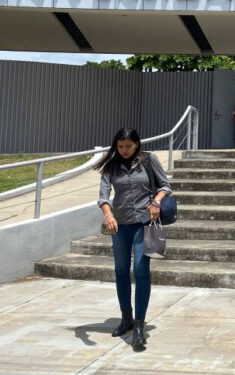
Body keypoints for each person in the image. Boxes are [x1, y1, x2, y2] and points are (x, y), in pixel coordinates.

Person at [94, 128, 171, 351]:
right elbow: (103, 195)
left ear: (137, 144)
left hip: (144, 223)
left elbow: (166, 185)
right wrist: (108, 214)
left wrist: (156, 201)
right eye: (120, 147)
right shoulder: (111, 166)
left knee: (140, 269)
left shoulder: (149, 161)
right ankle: (125, 317)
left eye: (128, 146)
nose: (124, 150)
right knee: (120, 270)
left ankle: (139, 325)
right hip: (119, 225)